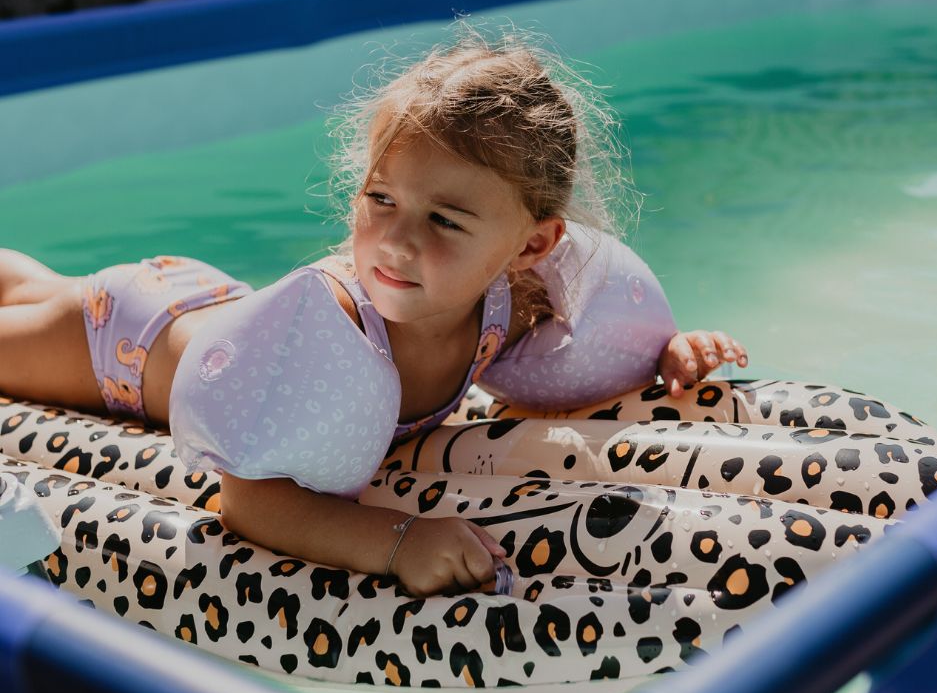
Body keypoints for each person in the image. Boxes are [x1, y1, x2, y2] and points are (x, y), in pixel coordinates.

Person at [0, 30, 747, 597]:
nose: (396, 241)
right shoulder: (338, 319)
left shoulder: (512, 306)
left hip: (199, 298)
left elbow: (582, 363)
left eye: (446, 221)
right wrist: (395, 543)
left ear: (533, 243)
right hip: (125, 340)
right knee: (41, 309)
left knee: (35, 285)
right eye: (381, 199)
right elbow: (249, 498)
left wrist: (671, 351)